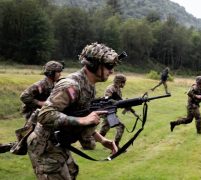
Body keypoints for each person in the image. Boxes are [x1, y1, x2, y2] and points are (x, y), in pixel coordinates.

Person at [27, 42, 118, 179]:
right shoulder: (71, 86)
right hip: (45, 146)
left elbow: (80, 114)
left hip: (59, 142)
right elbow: (45, 114)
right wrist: (83, 120)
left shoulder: (88, 85)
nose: (111, 71)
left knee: (73, 171)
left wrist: (102, 140)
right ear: (93, 65)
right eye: (109, 66)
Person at [0, 61, 64, 154]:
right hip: (33, 116)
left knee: (39, 139)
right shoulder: (41, 85)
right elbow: (24, 96)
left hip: (43, 115)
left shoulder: (54, 84)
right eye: (58, 72)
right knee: (23, 145)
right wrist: (39, 103)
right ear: (51, 73)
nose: (60, 74)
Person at [99, 74, 139, 147]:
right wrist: (119, 102)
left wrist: (133, 112)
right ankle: (115, 146)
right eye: (123, 82)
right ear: (119, 82)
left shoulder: (118, 90)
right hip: (107, 112)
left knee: (102, 132)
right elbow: (108, 101)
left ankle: (88, 141)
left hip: (111, 112)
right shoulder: (110, 89)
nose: (124, 84)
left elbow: (122, 103)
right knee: (121, 126)